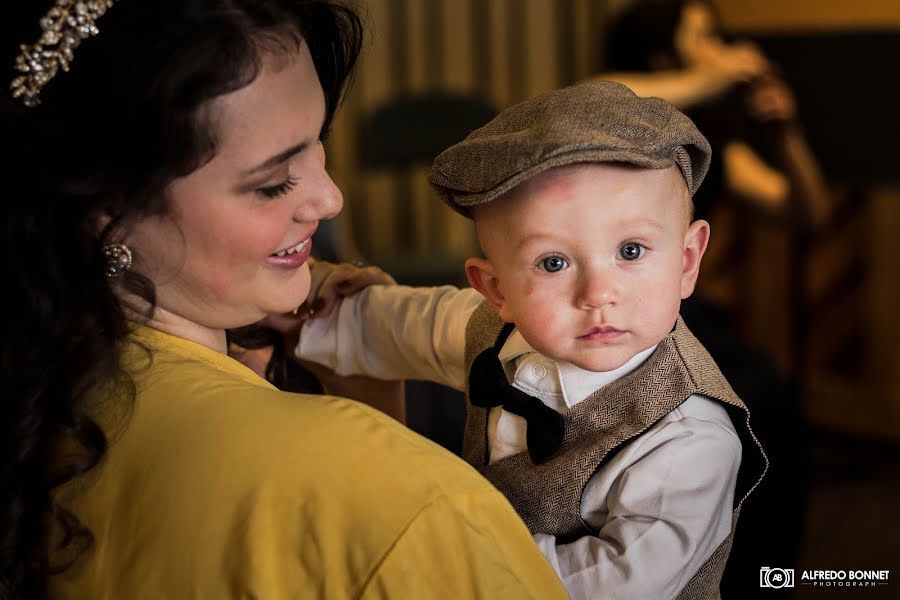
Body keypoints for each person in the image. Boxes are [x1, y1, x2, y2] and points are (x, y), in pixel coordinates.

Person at [0, 2, 571, 598]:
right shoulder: (408, 505)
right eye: (272, 183)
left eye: (316, 143)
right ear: (107, 213)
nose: (330, 199)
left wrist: (364, 393)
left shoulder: (35, 396)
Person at [294, 80, 769, 599]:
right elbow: (403, 324)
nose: (598, 293)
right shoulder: (497, 333)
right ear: (496, 289)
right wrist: (313, 304)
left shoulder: (689, 437)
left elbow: (615, 585)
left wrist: (442, 555)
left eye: (631, 251)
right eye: (554, 263)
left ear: (686, 260)